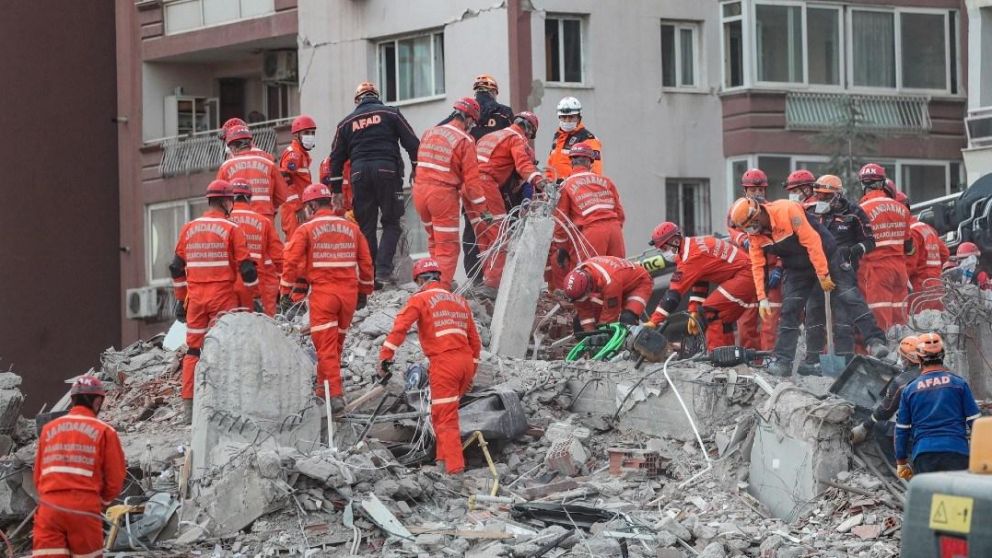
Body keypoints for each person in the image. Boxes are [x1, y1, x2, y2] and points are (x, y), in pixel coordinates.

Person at [378, 258, 481, 475]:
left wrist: (385, 357)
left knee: (445, 417)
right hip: (465, 363)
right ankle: (442, 462)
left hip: (445, 363)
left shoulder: (420, 299)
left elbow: (400, 328)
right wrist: (471, 374)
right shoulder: (459, 300)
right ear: (437, 277)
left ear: (420, 280)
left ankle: (454, 470)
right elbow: (475, 343)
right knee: (441, 412)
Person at [171, 180, 260, 422]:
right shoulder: (232, 229)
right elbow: (247, 270)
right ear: (225, 201)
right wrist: (255, 297)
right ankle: (222, 405)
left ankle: (189, 408)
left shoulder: (189, 228)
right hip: (222, 298)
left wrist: (181, 300)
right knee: (224, 350)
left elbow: (176, 268)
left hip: (196, 299)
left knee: (193, 350)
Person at [280, 184, 374, 409]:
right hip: (348, 295)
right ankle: (323, 391)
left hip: (324, 295)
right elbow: (366, 262)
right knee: (335, 345)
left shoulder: (306, 229)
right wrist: (364, 291)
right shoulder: (351, 227)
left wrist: (285, 292)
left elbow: (291, 261)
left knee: (326, 348)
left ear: (312, 205)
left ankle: (335, 395)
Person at [729, 196, 836, 376]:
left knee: (816, 311)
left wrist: (822, 273)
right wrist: (762, 298)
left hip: (820, 258)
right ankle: (784, 362)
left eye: (752, 224)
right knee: (789, 312)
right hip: (796, 268)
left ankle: (814, 360)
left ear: (759, 213)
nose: (751, 229)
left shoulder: (786, 210)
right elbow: (757, 265)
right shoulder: (755, 236)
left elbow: (812, 241)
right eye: (746, 227)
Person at [328, 81, 420, 288]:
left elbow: (335, 158)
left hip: (359, 175)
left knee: (366, 227)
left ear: (357, 100)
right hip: (387, 171)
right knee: (391, 223)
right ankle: (383, 271)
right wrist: (416, 167)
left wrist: (336, 191)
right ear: (376, 96)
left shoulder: (345, 123)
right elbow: (412, 143)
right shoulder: (391, 114)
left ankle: (371, 275)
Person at [801, 175, 888, 374]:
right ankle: (812, 359)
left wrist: (853, 250)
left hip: (842, 267)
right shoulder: (810, 211)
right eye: (819, 194)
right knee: (813, 313)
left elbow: (870, 241)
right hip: (817, 269)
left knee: (847, 309)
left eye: (826, 195)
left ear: (837, 195)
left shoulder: (854, 213)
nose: (821, 198)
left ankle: (864, 347)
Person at [33, 376, 126, 558]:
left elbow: (38, 475)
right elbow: (115, 479)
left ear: (73, 399)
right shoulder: (104, 431)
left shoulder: (48, 429)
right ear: (97, 402)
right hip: (84, 510)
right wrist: (101, 503)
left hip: (49, 509)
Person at [413, 98, 490, 289]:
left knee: (434, 240)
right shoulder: (465, 140)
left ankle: (431, 282)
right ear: (470, 119)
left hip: (419, 192)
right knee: (448, 246)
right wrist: (482, 209)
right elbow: (472, 183)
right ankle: (441, 289)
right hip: (442, 196)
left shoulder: (430, 132)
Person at [644, 223, 759, 350]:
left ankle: (716, 354)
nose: (663, 252)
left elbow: (672, 296)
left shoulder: (691, 257)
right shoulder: (694, 244)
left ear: (675, 241)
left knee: (710, 312)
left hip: (745, 276)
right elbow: (700, 281)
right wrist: (693, 310)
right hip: (746, 274)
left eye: (664, 248)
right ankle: (727, 354)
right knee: (722, 317)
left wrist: (653, 322)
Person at [473, 111, 546, 294]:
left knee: (484, 232)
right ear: (528, 130)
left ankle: (486, 279)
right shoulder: (516, 139)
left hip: (469, 186)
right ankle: (494, 284)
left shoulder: (491, 136)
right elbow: (523, 166)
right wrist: (540, 181)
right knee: (499, 234)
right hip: (485, 183)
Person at [895, 333, 982, 478]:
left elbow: (902, 429)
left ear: (920, 358)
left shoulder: (910, 389)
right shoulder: (959, 384)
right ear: (943, 355)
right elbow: (976, 423)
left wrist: (901, 462)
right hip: (956, 452)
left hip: (924, 455)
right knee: (958, 500)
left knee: (929, 499)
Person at [550, 142, 626, 288]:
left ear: (572, 161)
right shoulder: (606, 181)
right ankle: (615, 310)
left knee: (588, 278)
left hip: (592, 233)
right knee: (616, 276)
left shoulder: (567, 185)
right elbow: (620, 213)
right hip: (615, 231)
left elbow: (561, 220)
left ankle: (589, 311)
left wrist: (561, 247)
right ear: (590, 162)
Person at [857, 163, 912, 332]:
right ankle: (901, 353)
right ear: (882, 182)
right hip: (899, 269)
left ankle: (883, 353)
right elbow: (908, 246)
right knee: (900, 316)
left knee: (879, 315)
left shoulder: (861, 210)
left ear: (863, 184)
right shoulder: (902, 208)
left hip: (877, 270)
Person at [731, 168, 780, 351]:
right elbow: (732, 230)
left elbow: (783, 239)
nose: (758, 193)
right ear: (745, 190)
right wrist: (742, 239)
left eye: (760, 190)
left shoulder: (770, 210)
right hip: (747, 270)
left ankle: (768, 357)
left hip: (771, 267)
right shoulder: (738, 210)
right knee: (746, 319)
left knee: (770, 319)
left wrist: (779, 266)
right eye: (753, 190)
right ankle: (750, 357)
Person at [851, 335, 922, 445]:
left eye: (901, 356)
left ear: (907, 360)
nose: (899, 359)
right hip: (949, 426)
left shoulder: (901, 382)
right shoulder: (942, 372)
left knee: (880, 427)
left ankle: (896, 461)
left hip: (920, 432)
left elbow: (885, 411)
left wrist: (865, 426)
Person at [217, 125, 291, 224]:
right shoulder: (268, 163)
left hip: (236, 220)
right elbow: (282, 196)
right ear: (250, 143)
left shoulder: (225, 167)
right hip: (264, 218)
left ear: (233, 147)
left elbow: (218, 198)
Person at [230, 180, 283, 315]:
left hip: (228, 286)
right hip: (258, 287)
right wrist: (282, 288)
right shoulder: (264, 222)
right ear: (249, 198)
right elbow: (279, 259)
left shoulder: (223, 221)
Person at [562, 256, 653, 333]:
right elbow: (584, 313)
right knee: (579, 324)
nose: (582, 300)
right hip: (614, 286)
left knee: (627, 319)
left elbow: (610, 316)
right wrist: (589, 334)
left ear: (588, 287)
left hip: (638, 284)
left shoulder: (609, 280)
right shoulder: (577, 281)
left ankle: (632, 347)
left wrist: (602, 335)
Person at [896, 191, 947, 311]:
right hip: (937, 289)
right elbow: (944, 253)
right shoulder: (926, 228)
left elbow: (909, 265)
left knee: (920, 328)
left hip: (920, 292)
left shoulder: (911, 233)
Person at [546, 97, 602, 182]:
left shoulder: (588, 138)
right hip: (556, 190)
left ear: (579, 117)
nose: (567, 121)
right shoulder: (558, 137)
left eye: (571, 117)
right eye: (564, 117)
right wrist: (548, 182)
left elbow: (595, 171)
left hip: (576, 189)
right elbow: (551, 165)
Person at [278, 114, 317, 238]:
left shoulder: (301, 154)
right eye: (306, 132)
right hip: (294, 210)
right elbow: (285, 179)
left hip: (300, 208)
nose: (310, 136)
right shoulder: (294, 154)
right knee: (295, 244)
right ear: (296, 135)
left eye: (312, 133)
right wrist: (297, 208)